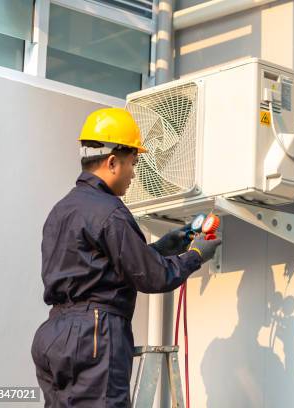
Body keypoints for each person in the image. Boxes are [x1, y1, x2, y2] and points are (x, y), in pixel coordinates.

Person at [30, 108, 221, 407]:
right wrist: (196, 255)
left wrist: (160, 249)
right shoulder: (110, 212)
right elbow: (154, 277)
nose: (134, 173)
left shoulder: (61, 210)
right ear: (112, 162)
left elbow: (99, 269)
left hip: (54, 335)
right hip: (95, 333)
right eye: (133, 163)